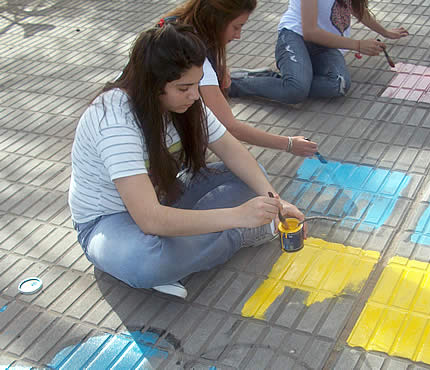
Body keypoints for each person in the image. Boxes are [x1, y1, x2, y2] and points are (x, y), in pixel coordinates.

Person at [68, 22, 304, 300]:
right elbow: (150, 219)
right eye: (184, 88)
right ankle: (233, 237)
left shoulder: (186, 104)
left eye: (197, 84)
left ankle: (182, 254)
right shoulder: (114, 120)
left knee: (253, 182)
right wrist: (238, 218)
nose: (195, 95)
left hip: (164, 196)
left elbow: (232, 150)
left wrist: (276, 200)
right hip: (108, 221)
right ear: (153, 84)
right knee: (147, 261)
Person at [163, 0, 318, 157]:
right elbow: (230, 126)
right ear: (215, 19)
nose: (238, 35)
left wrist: (221, 70)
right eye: (236, 27)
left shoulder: (180, 24)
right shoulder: (192, 55)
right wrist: (289, 143)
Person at [227, 0, 409, 104]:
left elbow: (357, 8)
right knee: (295, 92)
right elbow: (310, 32)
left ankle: (286, 78)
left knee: (338, 85)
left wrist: (385, 32)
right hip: (295, 36)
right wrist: (358, 44)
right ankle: (235, 83)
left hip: (326, 44)